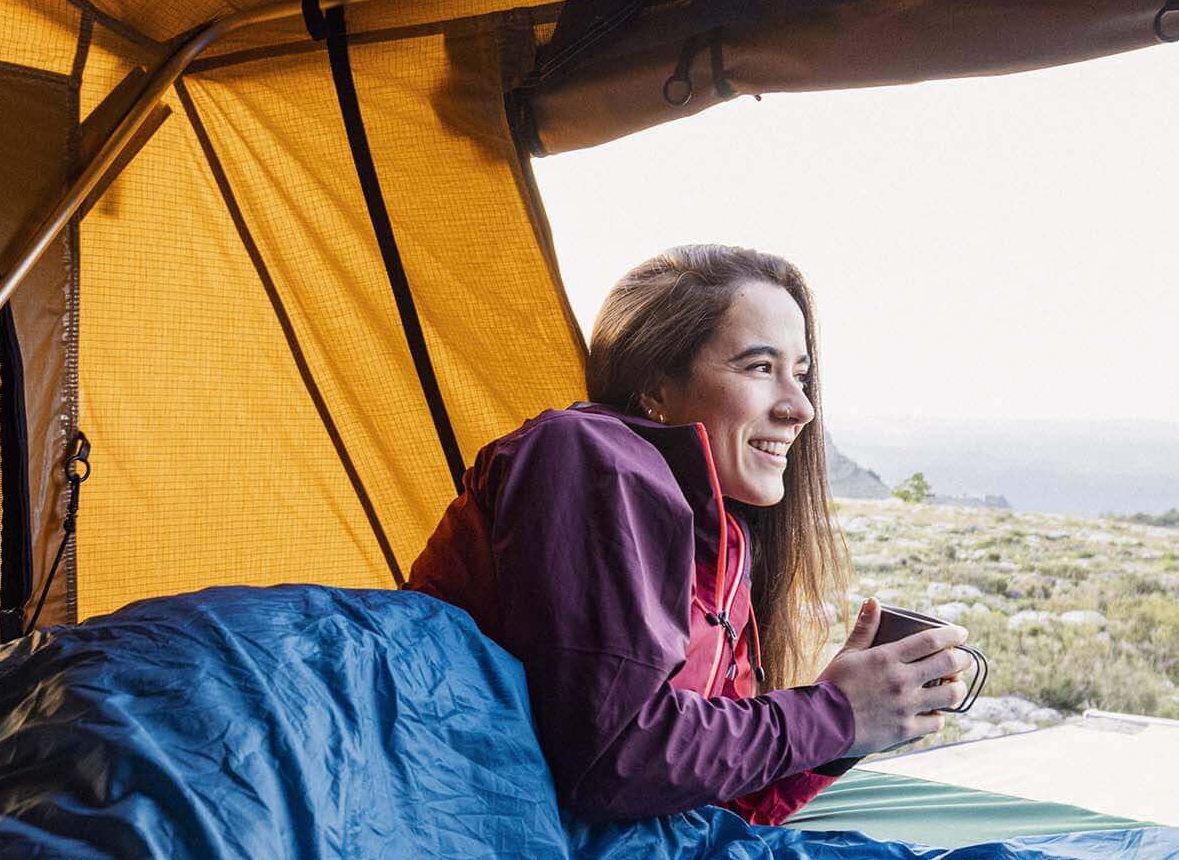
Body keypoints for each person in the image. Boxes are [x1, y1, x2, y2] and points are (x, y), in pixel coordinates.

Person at [407, 245, 973, 823]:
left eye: (800, 375)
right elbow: (612, 762)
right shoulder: (584, 455)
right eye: (759, 367)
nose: (801, 407)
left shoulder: (724, 541)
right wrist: (831, 714)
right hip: (454, 833)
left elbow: (715, 799)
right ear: (655, 387)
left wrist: (845, 734)